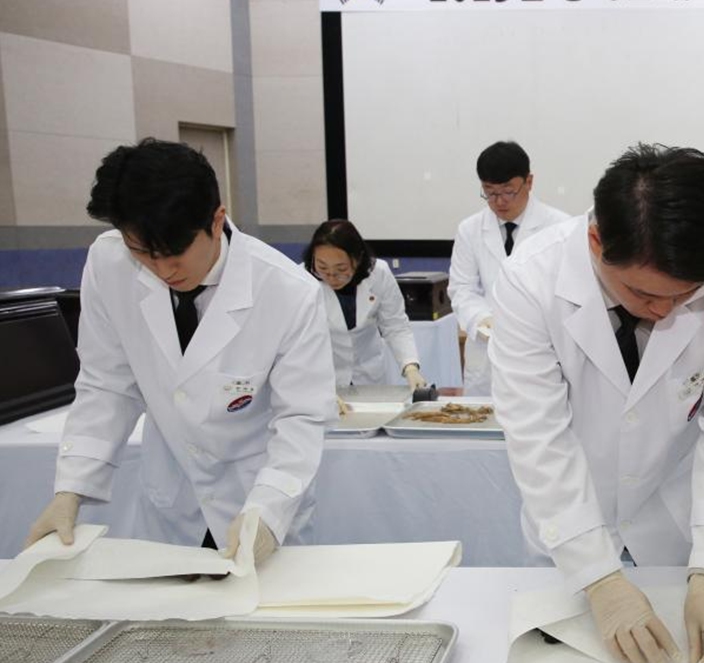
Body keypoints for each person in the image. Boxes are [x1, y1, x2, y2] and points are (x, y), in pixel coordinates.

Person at [489, 144, 704, 663]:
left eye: (685, 296)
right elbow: (537, 438)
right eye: (644, 293)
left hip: (681, 527)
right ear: (597, 242)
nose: (664, 311)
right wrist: (600, 581)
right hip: (569, 529)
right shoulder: (530, 280)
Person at [24, 139, 337, 565]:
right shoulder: (109, 263)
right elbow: (107, 383)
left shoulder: (287, 291)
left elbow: (300, 418)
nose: (163, 269)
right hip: (172, 499)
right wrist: (71, 488)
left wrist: (268, 510)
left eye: (174, 253)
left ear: (216, 219)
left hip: (258, 495)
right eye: (143, 254)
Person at [448, 141, 569, 395]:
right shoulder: (469, 230)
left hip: (541, 352)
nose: (499, 201)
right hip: (486, 355)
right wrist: (485, 322)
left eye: (508, 191)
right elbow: (462, 290)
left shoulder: (561, 228)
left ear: (529, 182)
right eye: (490, 192)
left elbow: (567, 293)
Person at [303, 219, 427, 389]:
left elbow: (395, 325)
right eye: (322, 268)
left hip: (369, 374)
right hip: (323, 378)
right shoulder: (301, 281)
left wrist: (410, 367)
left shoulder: (378, 274)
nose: (331, 277)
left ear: (358, 258)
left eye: (341, 269)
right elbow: (300, 343)